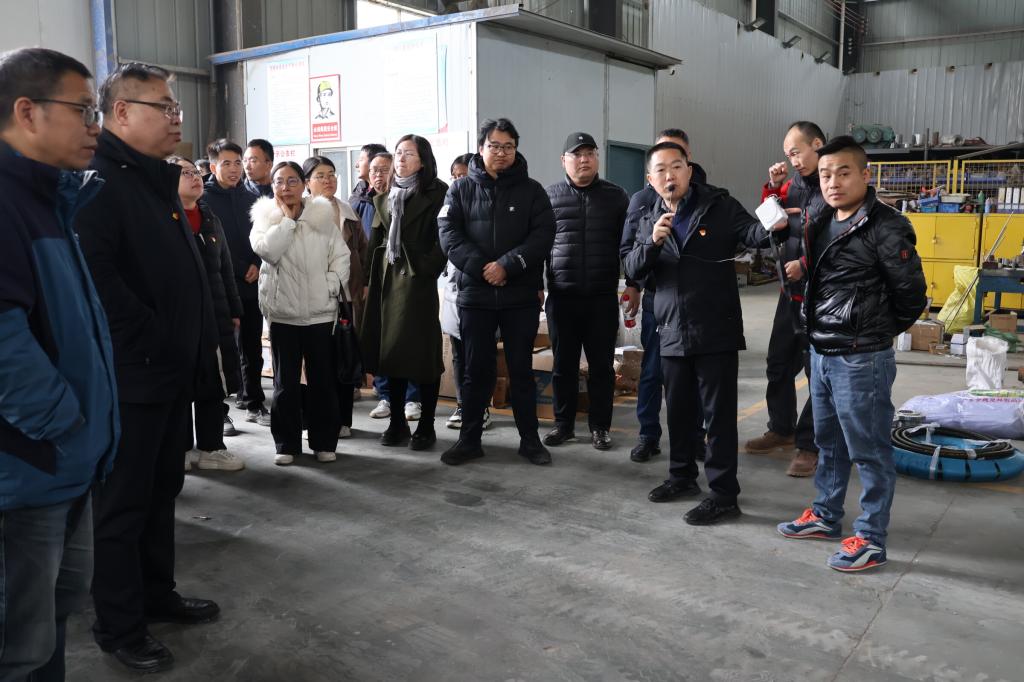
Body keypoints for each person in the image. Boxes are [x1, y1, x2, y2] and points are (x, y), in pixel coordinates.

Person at [76, 61, 221, 673]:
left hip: (168, 373)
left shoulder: (155, 181)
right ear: (121, 113)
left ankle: (156, 594)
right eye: (163, 107)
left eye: (176, 107)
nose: (176, 118)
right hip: (132, 376)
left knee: (163, 492)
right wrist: (157, 337)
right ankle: (119, 625)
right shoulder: (100, 183)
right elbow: (99, 281)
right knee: (124, 505)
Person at [0, 46, 118, 682]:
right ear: (27, 112)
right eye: (83, 110)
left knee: (52, 620)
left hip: (65, 464)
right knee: (18, 647)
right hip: (27, 469)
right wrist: (64, 426)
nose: (95, 126)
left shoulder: (50, 198)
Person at [777, 136, 926, 572]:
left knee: (870, 449)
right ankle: (826, 514)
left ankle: (871, 537)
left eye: (843, 173)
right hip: (822, 350)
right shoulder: (821, 218)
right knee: (828, 443)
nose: (833, 182)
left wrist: (872, 334)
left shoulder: (886, 226)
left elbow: (911, 296)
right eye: (825, 174)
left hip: (861, 357)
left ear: (865, 175)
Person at [623, 141, 788, 526]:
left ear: (689, 170)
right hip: (670, 328)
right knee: (679, 412)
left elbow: (753, 233)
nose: (669, 175)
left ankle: (724, 494)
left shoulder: (718, 205)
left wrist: (775, 217)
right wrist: (652, 242)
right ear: (650, 179)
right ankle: (681, 477)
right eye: (661, 170)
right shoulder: (648, 216)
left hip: (715, 328)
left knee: (718, 417)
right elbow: (632, 266)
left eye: (676, 166)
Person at [439, 117, 556, 466]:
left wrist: (508, 265)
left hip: (519, 296)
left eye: (509, 146)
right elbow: (448, 234)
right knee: (476, 371)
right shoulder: (459, 190)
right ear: (481, 148)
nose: (502, 152)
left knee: (521, 371)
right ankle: (469, 440)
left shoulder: (533, 191)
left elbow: (543, 235)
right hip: (475, 295)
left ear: (516, 149)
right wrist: (482, 268)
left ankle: (530, 441)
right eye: (494, 146)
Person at [250, 161, 350, 465]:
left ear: (304, 184)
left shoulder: (321, 216)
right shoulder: (266, 217)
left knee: (322, 382)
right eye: (279, 182)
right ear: (272, 186)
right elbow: (267, 251)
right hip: (283, 314)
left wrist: (329, 285)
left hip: (320, 314)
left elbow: (341, 256)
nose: (286, 188)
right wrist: (288, 222)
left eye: (292, 181)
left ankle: (324, 442)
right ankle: (286, 445)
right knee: (285, 384)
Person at [744, 121, 829, 477]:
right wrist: (772, 189)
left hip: (822, 298)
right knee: (778, 364)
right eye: (788, 154)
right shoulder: (791, 187)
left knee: (817, 373)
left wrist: (806, 266)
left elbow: (839, 241)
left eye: (796, 152)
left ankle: (810, 445)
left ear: (817, 144)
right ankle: (781, 428)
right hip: (789, 294)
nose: (792, 160)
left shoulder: (832, 187)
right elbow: (773, 228)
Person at [619, 128, 708, 463]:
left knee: (695, 374)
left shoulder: (706, 199)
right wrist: (633, 286)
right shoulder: (642, 201)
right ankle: (648, 434)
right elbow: (629, 250)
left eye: (677, 160)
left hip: (696, 304)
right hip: (658, 301)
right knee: (653, 371)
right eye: (661, 161)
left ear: (688, 161)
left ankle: (695, 436)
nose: (669, 171)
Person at [361, 135, 449, 449]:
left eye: (408, 153)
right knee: (391, 353)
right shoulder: (386, 194)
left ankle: (426, 425)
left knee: (423, 355)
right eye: (398, 152)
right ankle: (397, 422)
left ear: (423, 161)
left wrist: (425, 267)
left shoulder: (438, 193)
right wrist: (367, 281)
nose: (400, 158)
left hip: (417, 282)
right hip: (386, 282)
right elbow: (375, 241)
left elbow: (444, 239)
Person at [543, 132, 628, 450]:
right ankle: (563, 425)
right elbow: (538, 245)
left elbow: (628, 245)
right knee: (563, 366)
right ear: (563, 160)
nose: (584, 159)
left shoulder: (616, 197)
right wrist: (536, 287)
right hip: (562, 297)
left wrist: (633, 284)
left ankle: (600, 427)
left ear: (597, 159)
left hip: (601, 298)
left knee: (601, 367)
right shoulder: (549, 197)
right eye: (577, 154)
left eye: (590, 153)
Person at [171, 155, 246, 472]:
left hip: (214, 315)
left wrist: (234, 309)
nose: (194, 177)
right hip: (177, 317)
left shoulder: (209, 217)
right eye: (184, 173)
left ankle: (211, 447)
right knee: (178, 385)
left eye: (195, 172)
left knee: (213, 383)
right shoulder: (162, 217)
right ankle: (181, 449)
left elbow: (225, 268)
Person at [204, 138, 269, 427]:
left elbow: (261, 235)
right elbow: (214, 244)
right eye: (226, 163)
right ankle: (220, 412)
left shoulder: (250, 197)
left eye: (238, 163)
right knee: (219, 350)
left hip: (251, 282)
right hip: (220, 285)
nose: (234, 169)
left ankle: (254, 402)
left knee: (252, 347)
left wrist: (256, 263)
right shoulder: (204, 199)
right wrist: (242, 267)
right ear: (213, 167)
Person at [303, 154, 368, 436]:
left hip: (346, 298)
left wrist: (364, 283)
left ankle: (342, 420)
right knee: (315, 362)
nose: (328, 180)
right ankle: (312, 420)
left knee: (344, 356)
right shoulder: (301, 212)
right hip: (311, 297)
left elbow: (363, 251)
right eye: (320, 176)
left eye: (331, 174)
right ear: (307, 183)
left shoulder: (348, 212)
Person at [362, 149, 423, 424]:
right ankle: (385, 395)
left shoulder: (408, 200)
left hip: (407, 279)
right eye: (373, 170)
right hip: (380, 281)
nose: (378, 175)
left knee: (408, 339)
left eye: (384, 170)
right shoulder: (370, 203)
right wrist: (366, 281)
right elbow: (369, 249)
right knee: (381, 339)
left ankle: (412, 397)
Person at [443, 152, 486, 431]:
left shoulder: (483, 207)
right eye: (455, 176)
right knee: (459, 354)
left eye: (463, 176)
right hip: (453, 291)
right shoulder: (449, 206)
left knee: (479, 355)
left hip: (479, 289)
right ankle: (463, 404)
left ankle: (481, 408)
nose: (459, 181)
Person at [349, 141, 388, 235]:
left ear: (375, 162)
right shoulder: (359, 190)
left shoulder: (387, 195)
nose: (356, 165)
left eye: (361, 160)